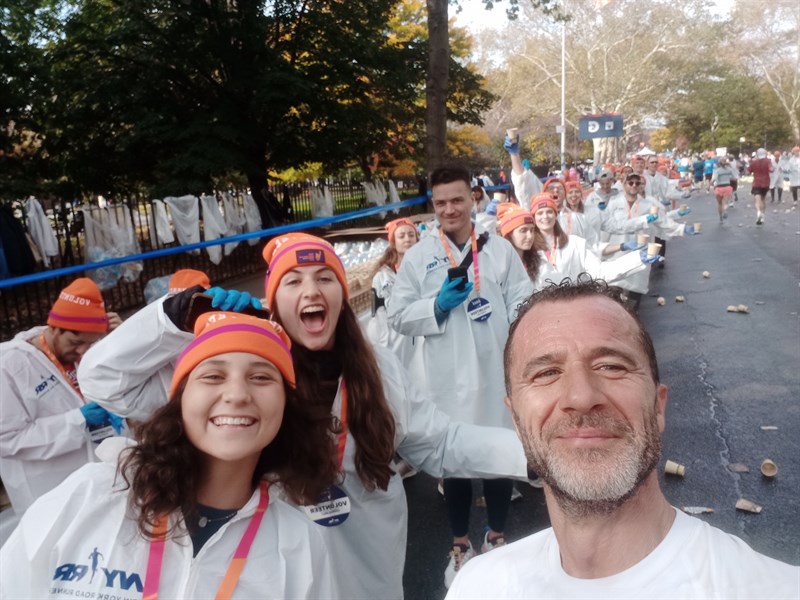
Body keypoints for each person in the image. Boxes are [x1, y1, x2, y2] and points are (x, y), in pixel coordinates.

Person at [78, 232, 529, 599]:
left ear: (340, 296)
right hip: (268, 573)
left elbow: (441, 443)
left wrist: (532, 452)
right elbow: (103, 379)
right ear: (273, 301)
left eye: (324, 278)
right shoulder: (244, 379)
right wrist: (173, 320)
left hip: (367, 569)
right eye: (292, 281)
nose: (311, 290)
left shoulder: (378, 369)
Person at [446, 279, 800, 599]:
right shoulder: (477, 586)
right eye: (547, 373)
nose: (581, 396)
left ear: (658, 405)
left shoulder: (772, 589)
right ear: (516, 420)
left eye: (611, 366)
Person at [1, 312, 338, 599]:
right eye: (213, 376)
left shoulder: (298, 545)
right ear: (180, 401)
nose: (237, 394)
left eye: (261, 377)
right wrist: (172, 312)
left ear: (285, 406)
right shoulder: (90, 497)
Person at [388, 164, 533, 588]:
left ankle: (497, 536)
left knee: (500, 458)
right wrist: (435, 306)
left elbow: (523, 300)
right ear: (432, 205)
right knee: (454, 464)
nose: (449, 209)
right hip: (446, 377)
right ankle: (460, 543)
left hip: (495, 371)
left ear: (472, 198)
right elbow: (397, 315)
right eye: (441, 203)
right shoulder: (419, 257)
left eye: (457, 200)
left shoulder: (498, 249)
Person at [0, 277, 124, 515]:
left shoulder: (85, 351)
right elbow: (8, 439)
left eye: (90, 343)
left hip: (95, 477)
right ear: (54, 328)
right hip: (46, 490)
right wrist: (78, 420)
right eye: (76, 342)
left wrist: (120, 339)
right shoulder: (8, 365)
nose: (82, 351)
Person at [603, 173, 696, 310]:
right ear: (624, 184)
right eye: (630, 182)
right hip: (618, 252)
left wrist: (682, 228)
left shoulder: (648, 205)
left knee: (635, 293)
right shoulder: (613, 204)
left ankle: (633, 317)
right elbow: (604, 227)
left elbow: (664, 222)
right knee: (613, 295)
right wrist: (601, 249)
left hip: (640, 253)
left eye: (637, 183)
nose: (634, 185)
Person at [527, 194, 655, 291]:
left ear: (556, 215)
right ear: (533, 218)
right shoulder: (528, 249)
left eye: (549, 212)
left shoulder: (575, 244)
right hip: (542, 310)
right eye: (540, 213)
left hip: (573, 306)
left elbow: (599, 272)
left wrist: (637, 259)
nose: (545, 217)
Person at [366, 217, 421, 367]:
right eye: (401, 236)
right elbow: (391, 309)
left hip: (413, 338)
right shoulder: (384, 275)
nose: (407, 239)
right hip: (389, 338)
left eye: (411, 235)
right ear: (393, 242)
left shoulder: (423, 267)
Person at [497, 202, 541, 282]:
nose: (530, 236)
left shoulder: (539, 263)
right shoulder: (498, 265)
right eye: (523, 230)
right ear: (508, 234)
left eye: (532, 230)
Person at [504, 134, 542, 211]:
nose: (555, 190)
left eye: (559, 188)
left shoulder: (567, 213)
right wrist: (514, 154)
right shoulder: (538, 208)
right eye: (551, 188)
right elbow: (522, 180)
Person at [747, 148, 773, 225]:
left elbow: (747, 172)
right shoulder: (768, 161)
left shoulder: (754, 162)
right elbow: (771, 169)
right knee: (763, 199)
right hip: (765, 183)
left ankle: (758, 212)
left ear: (757, 154)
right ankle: (763, 216)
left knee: (757, 200)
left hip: (756, 183)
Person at [711, 157, 736, 223]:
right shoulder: (729, 170)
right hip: (727, 187)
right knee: (725, 202)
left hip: (719, 187)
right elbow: (734, 177)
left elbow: (714, 178)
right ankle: (724, 210)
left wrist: (711, 183)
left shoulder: (717, 170)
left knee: (719, 203)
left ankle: (721, 217)